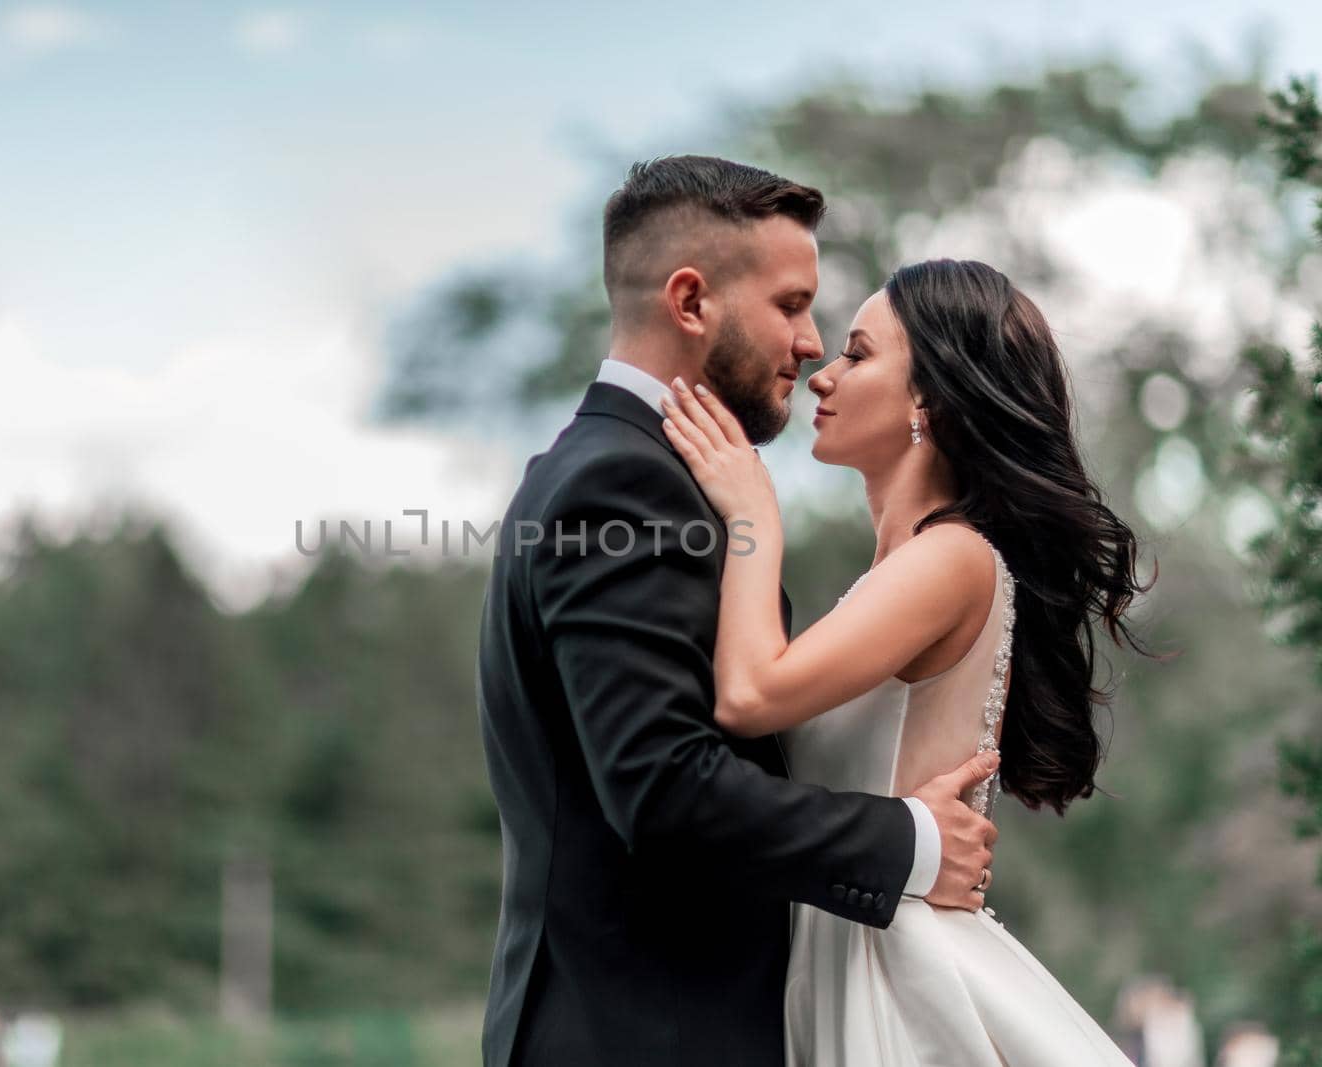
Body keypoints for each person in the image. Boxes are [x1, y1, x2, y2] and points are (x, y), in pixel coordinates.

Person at [475, 155, 999, 1067]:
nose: (811, 343)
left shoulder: (613, 472)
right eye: (792, 305)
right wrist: (909, 840)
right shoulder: (622, 485)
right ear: (690, 303)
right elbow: (663, 787)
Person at [660, 256, 1150, 1064]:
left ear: (927, 396)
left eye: (858, 353)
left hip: (897, 980)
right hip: (845, 951)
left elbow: (748, 693)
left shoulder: (950, 559)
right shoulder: (901, 574)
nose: (823, 373)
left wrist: (753, 514)